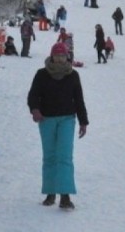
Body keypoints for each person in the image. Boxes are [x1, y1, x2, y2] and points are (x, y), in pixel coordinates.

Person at [26, 41, 89, 210]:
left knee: (65, 157)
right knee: (50, 156)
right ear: (52, 56)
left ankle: (65, 196)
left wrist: (83, 121)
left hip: (67, 119)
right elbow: (33, 95)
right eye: (57, 55)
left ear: (67, 56)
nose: (60, 59)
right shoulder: (42, 74)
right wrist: (35, 110)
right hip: (46, 120)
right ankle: (50, 192)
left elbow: (79, 99)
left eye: (62, 55)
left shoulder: (73, 75)